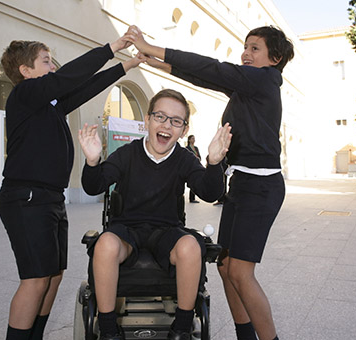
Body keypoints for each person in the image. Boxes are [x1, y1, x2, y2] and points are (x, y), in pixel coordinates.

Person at [127, 25, 294, 340]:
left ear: (275, 58)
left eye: (254, 48)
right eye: (245, 46)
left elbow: (213, 69)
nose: (246, 53)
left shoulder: (264, 80)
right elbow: (206, 77)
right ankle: (245, 335)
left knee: (241, 273)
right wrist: (158, 64)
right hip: (241, 185)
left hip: (261, 186)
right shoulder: (248, 87)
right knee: (226, 266)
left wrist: (153, 47)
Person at [0, 31, 143, 340]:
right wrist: (111, 47)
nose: (53, 67)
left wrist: (125, 66)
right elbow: (68, 78)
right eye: (46, 61)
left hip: (50, 198)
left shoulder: (48, 103)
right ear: (25, 71)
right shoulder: (25, 94)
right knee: (36, 278)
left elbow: (83, 87)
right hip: (26, 197)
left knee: (53, 276)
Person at [78, 89, 232, 340]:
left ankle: (181, 328)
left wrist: (214, 164)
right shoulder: (128, 153)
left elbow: (208, 192)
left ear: (183, 130)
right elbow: (94, 186)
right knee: (104, 244)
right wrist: (93, 161)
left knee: (191, 247)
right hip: (127, 231)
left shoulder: (183, 158)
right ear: (147, 120)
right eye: (160, 116)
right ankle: (108, 330)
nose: (166, 125)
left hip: (167, 231)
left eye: (176, 121)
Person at [186, 135, 201, 203]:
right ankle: (191, 198)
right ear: (189, 140)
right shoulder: (187, 148)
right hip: (189, 166)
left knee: (195, 180)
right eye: (192, 138)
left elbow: (199, 155)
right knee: (190, 181)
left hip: (196, 165)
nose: (193, 140)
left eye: (194, 138)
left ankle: (193, 197)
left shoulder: (196, 148)